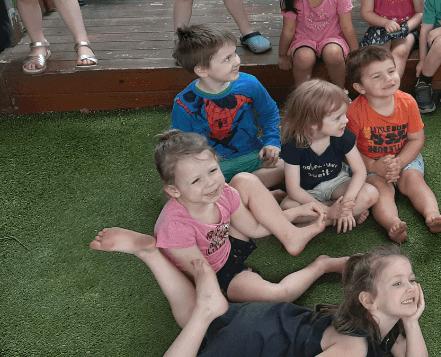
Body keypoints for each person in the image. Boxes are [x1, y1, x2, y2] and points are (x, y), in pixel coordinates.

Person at [92, 240, 427, 357]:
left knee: (192, 323)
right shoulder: (353, 349)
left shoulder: (387, 326)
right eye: (397, 283)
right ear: (369, 300)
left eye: (411, 280)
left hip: (268, 320)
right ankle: (207, 310)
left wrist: (412, 322)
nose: (411, 288)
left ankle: (150, 253)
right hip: (254, 346)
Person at [91, 130, 333, 317]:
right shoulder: (174, 227)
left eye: (213, 171)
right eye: (196, 180)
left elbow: (255, 229)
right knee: (280, 294)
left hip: (229, 242)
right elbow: (201, 273)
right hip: (216, 273)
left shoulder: (223, 191)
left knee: (244, 180)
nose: (211, 183)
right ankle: (323, 265)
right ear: (174, 190)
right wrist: (216, 306)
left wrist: (293, 214)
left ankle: (290, 234)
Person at [346, 45, 441, 243]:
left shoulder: (408, 102)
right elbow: (349, 150)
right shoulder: (354, 112)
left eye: (391, 71)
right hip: (370, 162)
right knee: (381, 190)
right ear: (360, 88)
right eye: (377, 76)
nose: (388, 79)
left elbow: (417, 139)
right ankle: (392, 223)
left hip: (404, 156)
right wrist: (374, 166)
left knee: (414, 181)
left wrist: (398, 164)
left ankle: (432, 214)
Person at [171, 24, 286, 188]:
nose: (237, 61)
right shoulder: (184, 103)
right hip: (213, 167)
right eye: (227, 59)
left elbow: (270, 113)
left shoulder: (249, 83)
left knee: (285, 167)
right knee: (181, 188)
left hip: (252, 155)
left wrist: (272, 142)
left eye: (235, 54)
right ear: (202, 70)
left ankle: (232, 193)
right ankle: (246, 191)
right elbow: (180, 144)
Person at [279, 79, 379, 229]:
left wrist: (347, 203)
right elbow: (294, 191)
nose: (346, 120)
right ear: (312, 123)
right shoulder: (293, 144)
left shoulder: (343, 134)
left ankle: (323, 221)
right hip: (308, 192)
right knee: (287, 208)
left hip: (337, 183)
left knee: (370, 193)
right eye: (337, 118)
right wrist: (329, 210)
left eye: (344, 114)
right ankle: (338, 216)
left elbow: (359, 171)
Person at [278, 0, 357, 89]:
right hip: (304, 40)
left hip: (333, 38)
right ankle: (303, 95)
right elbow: (288, 30)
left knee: (333, 54)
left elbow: (347, 26)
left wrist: (355, 52)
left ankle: (339, 92)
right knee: (303, 58)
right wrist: (282, 55)